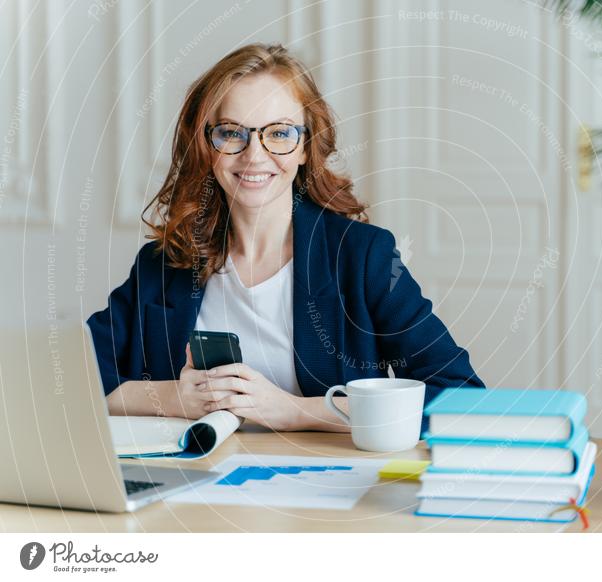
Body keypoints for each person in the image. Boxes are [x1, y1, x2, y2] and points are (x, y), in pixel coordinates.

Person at [88, 43, 484, 435]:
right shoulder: (165, 263)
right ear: (206, 146)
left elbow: (461, 397)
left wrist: (293, 410)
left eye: (278, 133)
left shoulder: (363, 257)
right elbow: (70, 378)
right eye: (231, 133)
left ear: (306, 147)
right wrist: (175, 398)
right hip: (193, 488)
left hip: (326, 489)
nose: (254, 156)